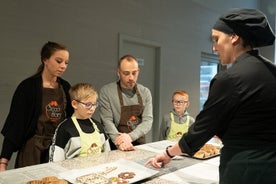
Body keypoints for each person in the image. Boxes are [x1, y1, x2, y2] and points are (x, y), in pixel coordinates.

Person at [145, 8, 276, 184]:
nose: (214, 48)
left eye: (216, 39)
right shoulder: (272, 71)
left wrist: (167, 153)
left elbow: (201, 130)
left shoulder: (229, 78)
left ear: (234, 37)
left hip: (244, 168)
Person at [0, 41, 74, 171]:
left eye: (66, 63)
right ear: (45, 59)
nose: (63, 66)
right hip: (32, 151)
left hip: (56, 150)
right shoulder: (28, 88)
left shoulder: (66, 88)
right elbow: (15, 124)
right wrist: (3, 162)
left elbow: (72, 122)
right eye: (58, 61)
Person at [99, 54, 153, 151]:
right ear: (118, 73)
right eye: (126, 73)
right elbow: (107, 121)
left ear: (138, 71)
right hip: (116, 145)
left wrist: (130, 137)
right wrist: (121, 142)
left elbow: (148, 121)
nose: (131, 77)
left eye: (134, 73)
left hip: (139, 144)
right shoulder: (106, 92)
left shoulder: (145, 92)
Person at [49, 83, 110, 162]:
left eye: (94, 104)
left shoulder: (98, 127)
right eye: (88, 104)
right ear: (74, 104)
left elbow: (108, 155)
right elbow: (55, 161)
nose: (92, 109)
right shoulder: (65, 129)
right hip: (74, 173)